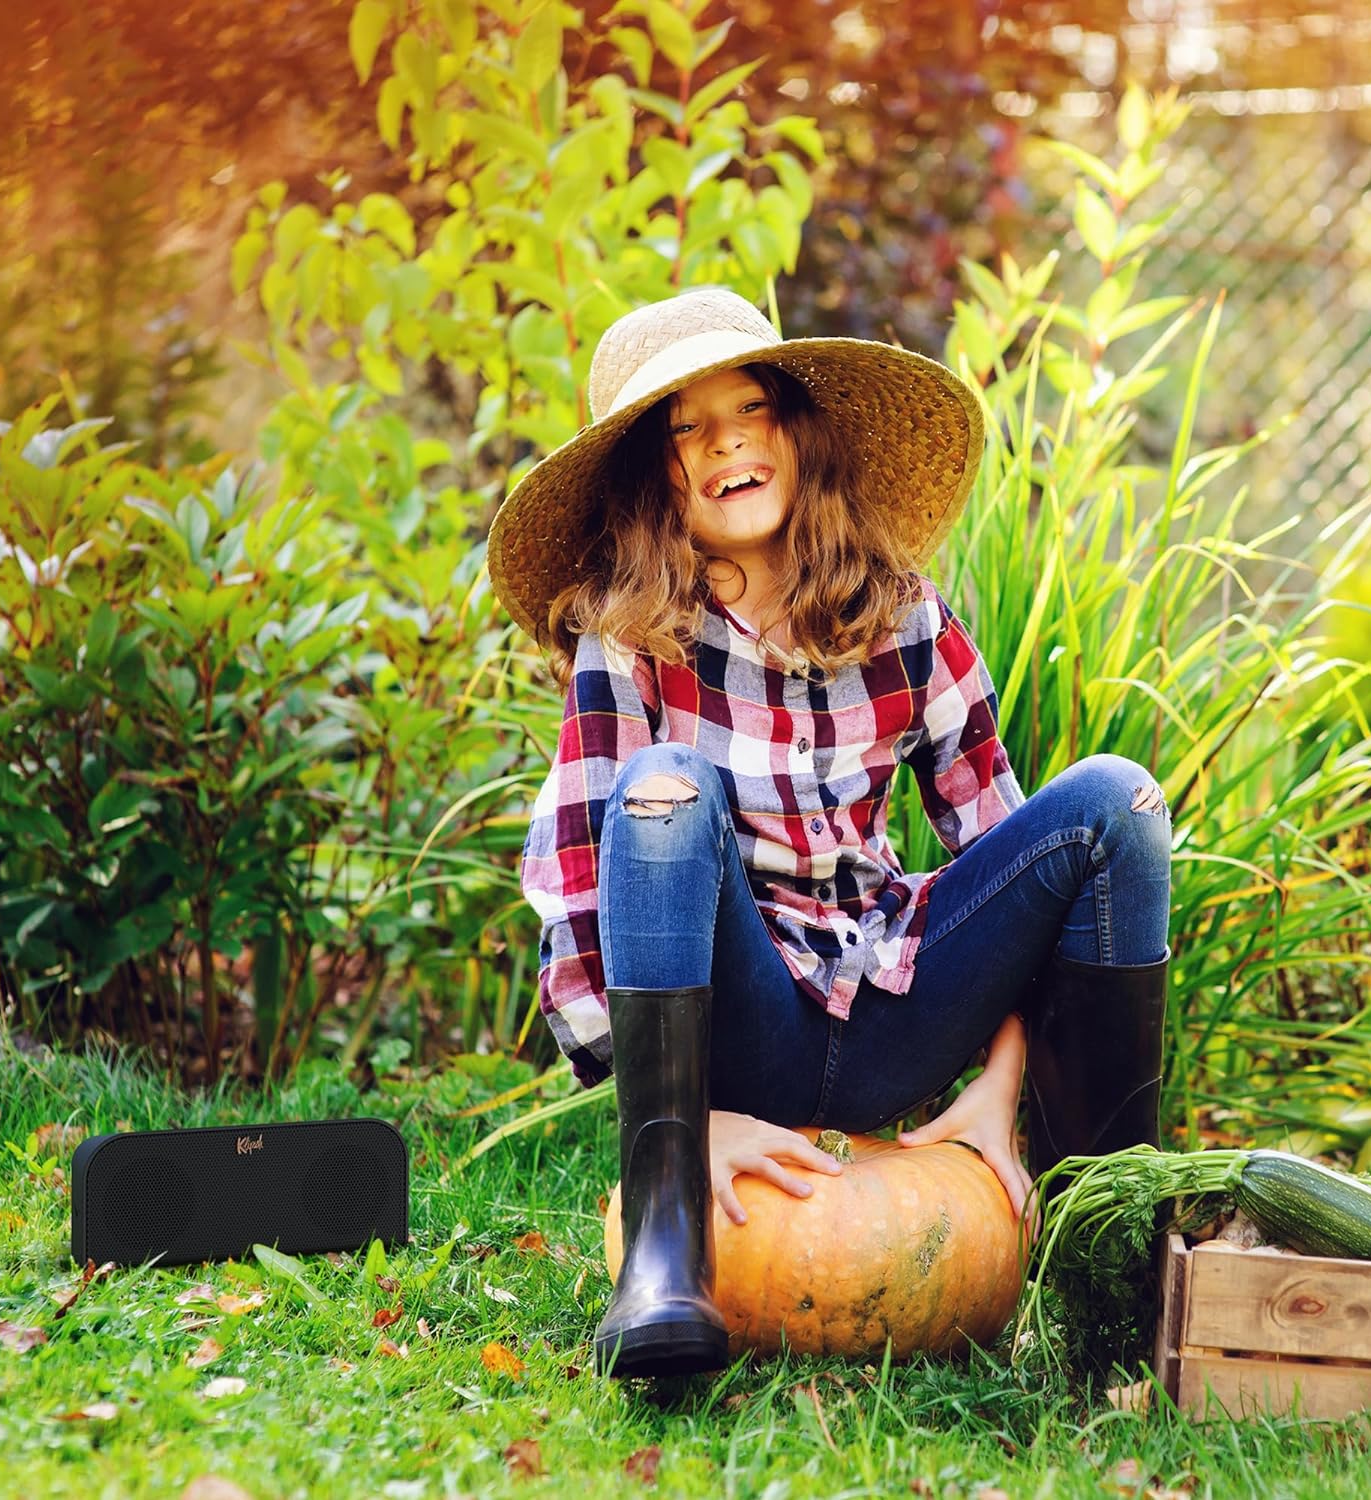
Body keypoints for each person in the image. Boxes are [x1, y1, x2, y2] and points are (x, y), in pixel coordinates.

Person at [488, 287, 1173, 1379]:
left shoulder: (901, 613)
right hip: (742, 1029)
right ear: (654, 478)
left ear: (796, 430)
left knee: (1114, 805)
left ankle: (1112, 1285)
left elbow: (1000, 849)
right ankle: (664, 1258)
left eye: (749, 409)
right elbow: (578, 885)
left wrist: (997, 1091)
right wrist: (692, 1119)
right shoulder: (630, 641)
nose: (725, 443)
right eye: (686, 429)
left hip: (894, 1001)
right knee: (662, 788)